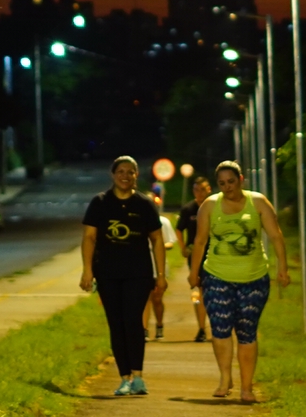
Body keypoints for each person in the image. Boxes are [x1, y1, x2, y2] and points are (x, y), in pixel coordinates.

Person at [188, 160, 289, 402]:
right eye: (222, 183)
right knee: (221, 329)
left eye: (231, 182)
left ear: (241, 180)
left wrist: (282, 267)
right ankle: (225, 378)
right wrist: (194, 272)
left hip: (253, 279)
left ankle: (247, 387)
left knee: (247, 332)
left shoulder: (258, 202)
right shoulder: (210, 206)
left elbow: (275, 235)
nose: (227, 187)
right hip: (217, 276)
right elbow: (200, 241)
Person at [80, 156, 167, 396]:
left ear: (136, 176)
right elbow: (89, 237)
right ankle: (124, 377)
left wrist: (160, 275)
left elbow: (157, 239)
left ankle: (138, 377)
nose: (125, 176)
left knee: (132, 321)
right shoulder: (99, 203)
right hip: (107, 273)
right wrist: (87, 270)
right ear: (113, 174)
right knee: (116, 324)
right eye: (120, 171)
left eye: (130, 172)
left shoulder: (145, 204)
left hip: (138, 273)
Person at [177, 175, 213, 342]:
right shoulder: (188, 209)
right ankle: (201, 328)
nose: (199, 193)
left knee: (214, 293)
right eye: (196, 190)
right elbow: (179, 229)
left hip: (215, 255)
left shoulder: (215, 206)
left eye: (203, 190)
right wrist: (183, 247)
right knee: (198, 293)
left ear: (209, 190)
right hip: (196, 256)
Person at [142, 193, 178, 340]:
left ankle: (159, 324)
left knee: (157, 298)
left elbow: (170, 242)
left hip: (158, 265)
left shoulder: (162, 221)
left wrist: (159, 246)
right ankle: (143, 329)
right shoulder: (138, 220)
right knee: (144, 299)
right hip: (142, 265)